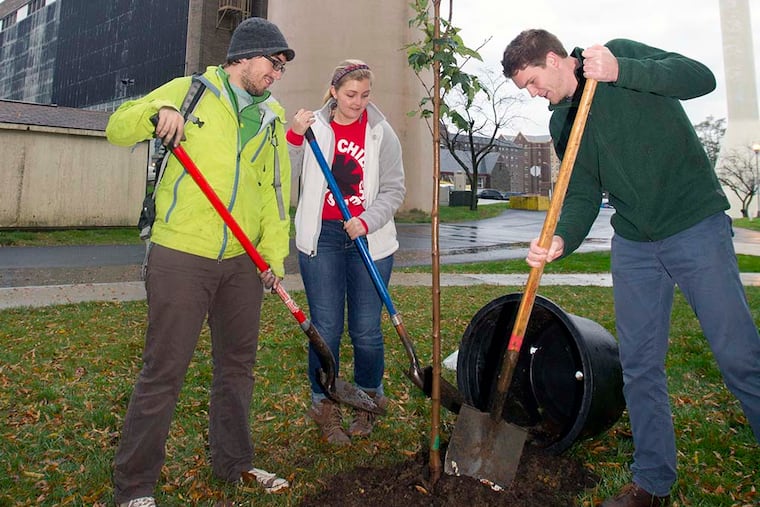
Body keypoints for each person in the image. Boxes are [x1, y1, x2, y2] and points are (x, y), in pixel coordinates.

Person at [502, 29, 760, 507]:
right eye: (527, 90)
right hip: (636, 245)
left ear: (556, 60)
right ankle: (652, 481)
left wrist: (623, 70)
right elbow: (579, 194)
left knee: (739, 355)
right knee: (640, 367)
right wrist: (562, 237)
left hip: (694, 225)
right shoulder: (563, 123)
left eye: (535, 82)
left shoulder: (619, 55)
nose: (535, 95)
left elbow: (699, 78)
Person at [105, 17, 294, 507]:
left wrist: (272, 258)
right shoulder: (190, 90)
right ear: (243, 58)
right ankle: (135, 486)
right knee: (164, 371)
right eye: (272, 64)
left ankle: (235, 464)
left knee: (238, 368)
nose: (276, 74)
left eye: (280, 68)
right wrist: (158, 110)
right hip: (181, 253)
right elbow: (117, 126)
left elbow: (275, 197)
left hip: (243, 263)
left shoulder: (271, 117)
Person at [286, 59, 406, 445]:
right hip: (322, 238)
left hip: (368, 241)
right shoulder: (314, 129)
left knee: (367, 330)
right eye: (351, 94)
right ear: (334, 92)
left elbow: (394, 190)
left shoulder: (381, 134)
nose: (358, 102)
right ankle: (325, 402)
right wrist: (293, 137)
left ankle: (368, 399)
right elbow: (286, 177)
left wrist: (367, 221)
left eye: (365, 95)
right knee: (326, 329)